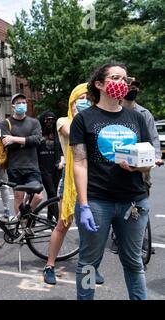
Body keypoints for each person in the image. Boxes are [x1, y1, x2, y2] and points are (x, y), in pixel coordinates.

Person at [70, 63, 152, 300]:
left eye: (125, 79)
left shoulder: (136, 117)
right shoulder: (84, 119)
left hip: (133, 201)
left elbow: (146, 160)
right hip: (97, 202)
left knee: (134, 262)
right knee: (88, 263)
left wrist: (139, 166)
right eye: (116, 78)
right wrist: (83, 205)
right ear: (99, 84)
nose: (122, 83)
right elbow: (80, 163)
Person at [42, 83, 103, 285]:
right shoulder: (63, 121)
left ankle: (91, 268)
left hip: (92, 181)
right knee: (63, 224)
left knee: (92, 228)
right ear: (72, 101)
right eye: (80, 98)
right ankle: (49, 265)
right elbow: (76, 133)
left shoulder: (97, 121)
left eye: (88, 98)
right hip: (69, 181)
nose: (84, 101)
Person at [109, 78, 163, 255]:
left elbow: (154, 138)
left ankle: (139, 237)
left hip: (141, 164)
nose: (133, 89)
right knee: (118, 200)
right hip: (119, 162)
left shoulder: (144, 113)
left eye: (135, 87)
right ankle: (117, 235)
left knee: (141, 201)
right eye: (129, 86)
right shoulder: (114, 110)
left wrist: (156, 157)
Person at [0, 93, 43, 220]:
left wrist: (13, 138)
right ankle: (21, 225)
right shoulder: (5, 123)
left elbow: (37, 140)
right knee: (18, 197)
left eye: (24, 102)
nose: (22, 105)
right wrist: (26, 142)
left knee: (38, 196)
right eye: (19, 103)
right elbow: (8, 145)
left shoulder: (34, 122)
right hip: (14, 167)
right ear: (13, 106)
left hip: (32, 166)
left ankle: (24, 216)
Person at [37, 111, 61, 221]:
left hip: (56, 167)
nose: (50, 121)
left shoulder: (57, 134)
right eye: (47, 119)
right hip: (43, 167)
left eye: (52, 119)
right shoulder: (38, 133)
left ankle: (50, 217)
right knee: (51, 192)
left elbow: (62, 149)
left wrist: (62, 160)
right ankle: (57, 218)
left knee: (53, 193)